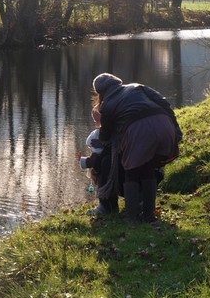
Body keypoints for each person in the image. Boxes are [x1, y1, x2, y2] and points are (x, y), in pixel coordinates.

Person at [91, 73, 182, 222]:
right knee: (148, 168)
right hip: (163, 124)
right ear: (117, 82)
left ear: (100, 92)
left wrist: (101, 133)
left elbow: (106, 135)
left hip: (138, 130)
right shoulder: (137, 87)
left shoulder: (107, 104)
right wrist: (175, 128)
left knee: (131, 171)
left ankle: (131, 216)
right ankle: (149, 215)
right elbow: (164, 103)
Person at [77, 106, 119, 215]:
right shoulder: (110, 132)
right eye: (95, 121)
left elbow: (97, 159)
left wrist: (84, 162)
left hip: (113, 167)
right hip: (118, 164)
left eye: (97, 120)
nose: (96, 123)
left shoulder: (104, 134)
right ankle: (111, 207)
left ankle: (105, 207)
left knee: (102, 168)